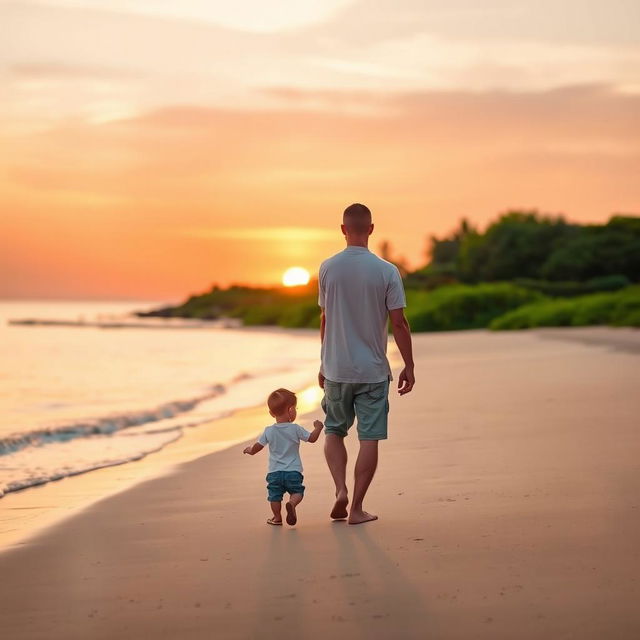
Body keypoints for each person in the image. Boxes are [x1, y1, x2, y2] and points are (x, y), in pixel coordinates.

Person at [318, 203, 415, 525]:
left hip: (336, 369)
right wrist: (409, 366)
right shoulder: (387, 271)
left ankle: (340, 490)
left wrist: (323, 361)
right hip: (372, 370)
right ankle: (357, 508)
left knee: (334, 430)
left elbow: (326, 318)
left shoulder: (327, 268)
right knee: (369, 438)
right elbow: (399, 323)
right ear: (371, 229)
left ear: (343, 229)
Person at [243, 388, 324, 526]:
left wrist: (250, 450)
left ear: (271, 413)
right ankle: (292, 503)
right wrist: (318, 427)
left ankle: (277, 518)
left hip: (274, 472)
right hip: (293, 471)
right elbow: (311, 438)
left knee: (274, 496)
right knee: (297, 492)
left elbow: (257, 447)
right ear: (291, 410)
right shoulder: (295, 429)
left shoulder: (269, 431)